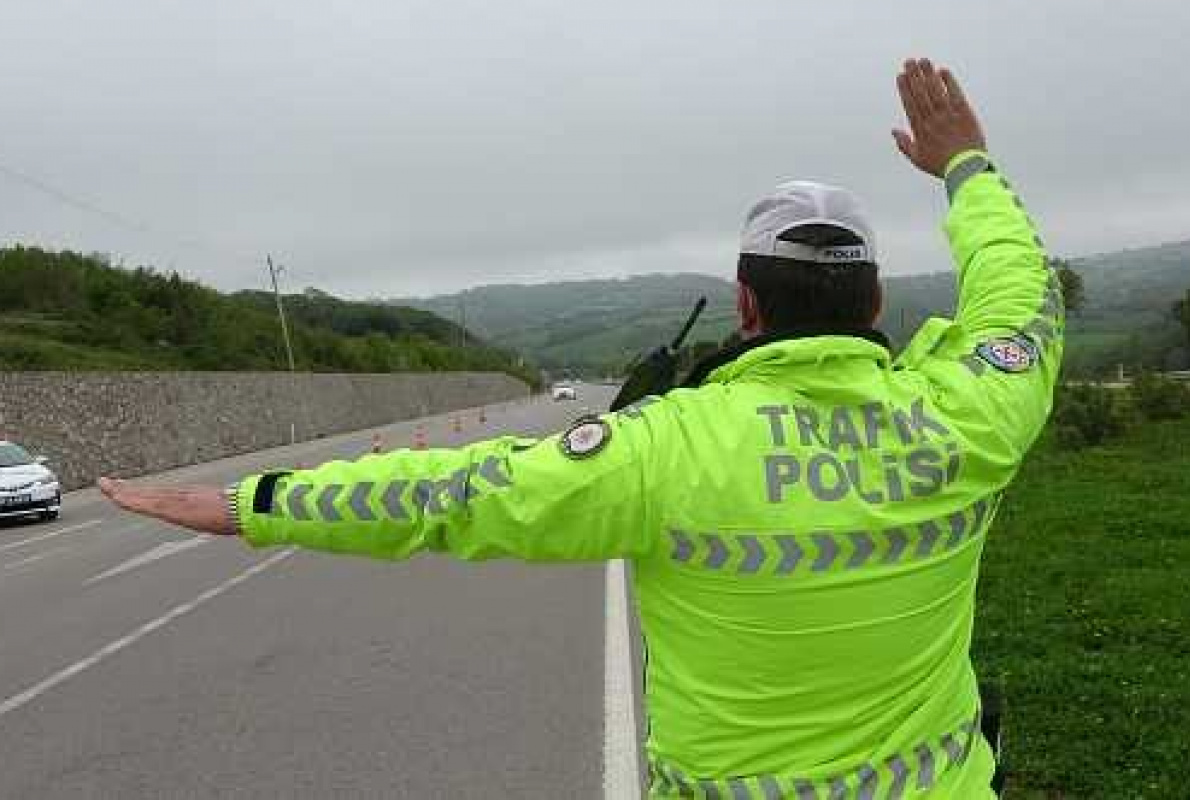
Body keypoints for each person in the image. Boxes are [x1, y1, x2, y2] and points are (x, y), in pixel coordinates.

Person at [99, 58, 1063, 798]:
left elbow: (450, 495)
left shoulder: (666, 448)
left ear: (745, 305)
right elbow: (1021, 298)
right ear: (877, 298)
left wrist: (253, 502)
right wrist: (967, 169)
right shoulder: (964, 413)